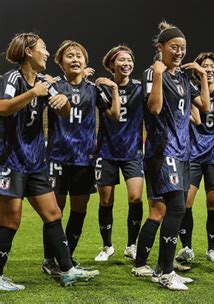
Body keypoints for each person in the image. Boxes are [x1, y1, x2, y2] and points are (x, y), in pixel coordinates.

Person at [0, 33, 99, 290]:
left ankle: (66, 270)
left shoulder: (45, 81)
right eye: (43, 49)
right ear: (28, 52)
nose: (46, 54)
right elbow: (2, 107)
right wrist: (34, 92)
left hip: (35, 162)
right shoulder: (13, 78)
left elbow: (63, 112)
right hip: (10, 160)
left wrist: (63, 101)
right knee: (11, 220)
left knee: (53, 213)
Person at [132, 21, 210, 291]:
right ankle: (165, 272)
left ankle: (158, 268)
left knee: (171, 209)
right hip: (162, 151)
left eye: (183, 48)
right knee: (176, 207)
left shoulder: (183, 78)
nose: (179, 52)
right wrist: (156, 74)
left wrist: (201, 76)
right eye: (174, 47)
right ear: (160, 48)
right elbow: (153, 109)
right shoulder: (152, 73)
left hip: (182, 152)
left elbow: (206, 107)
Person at [43, 40, 106, 272]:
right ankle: (49, 259)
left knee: (79, 211)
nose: (75, 59)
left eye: (79, 55)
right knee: (54, 213)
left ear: (86, 61)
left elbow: (113, 114)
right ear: (60, 62)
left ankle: (67, 257)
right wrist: (44, 81)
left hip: (85, 159)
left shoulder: (94, 89)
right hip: (58, 158)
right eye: (70, 56)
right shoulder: (52, 85)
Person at [175, 52, 214, 264]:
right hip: (192, 155)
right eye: (204, 66)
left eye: (212, 66)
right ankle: (187, 247)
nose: (208, 69)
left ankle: (212, 249)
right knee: (184, 203)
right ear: (197, 71)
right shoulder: (189, 93)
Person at [93, 45, 145, 262]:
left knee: (135, 197)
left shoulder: (141, 88)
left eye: (129, 60)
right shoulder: (101, 88)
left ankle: (132, 245)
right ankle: (107, 246)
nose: (126, 64)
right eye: (121, 60)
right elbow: (113, 115)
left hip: (133, 151)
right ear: (112, 64)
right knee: (106, 201)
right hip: (106, 151)